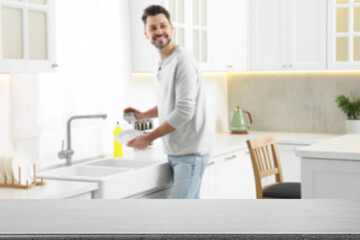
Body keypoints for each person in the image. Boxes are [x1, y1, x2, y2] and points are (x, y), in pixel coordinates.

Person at [124, 5, 212, 199]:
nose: (159, 32)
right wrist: (143, 115)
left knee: (176, 218)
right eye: (153, 28)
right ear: (146, 34)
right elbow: (170, 104)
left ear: (171, 28)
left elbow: (184, 111)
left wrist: (148, 138)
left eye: (163, 26)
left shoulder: (183, 60)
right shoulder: (162, 62)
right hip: (177, 152)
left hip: (191, 152)